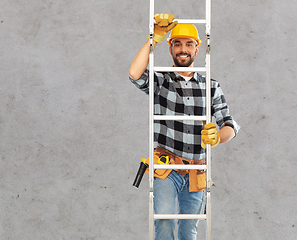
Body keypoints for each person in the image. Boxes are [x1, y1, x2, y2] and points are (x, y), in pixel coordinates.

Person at [129, 13, 240, 240]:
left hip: (196, 171)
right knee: (165, 221)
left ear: (197, 49)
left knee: (190, 230)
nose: (183, 49)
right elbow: (135, 74)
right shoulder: (162, 81)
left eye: (189, 44)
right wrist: (154, 38)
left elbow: (229, 123)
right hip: (166, 168)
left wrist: (218, 137)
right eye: (177, 44)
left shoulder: (210, 85)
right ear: (170, 49)